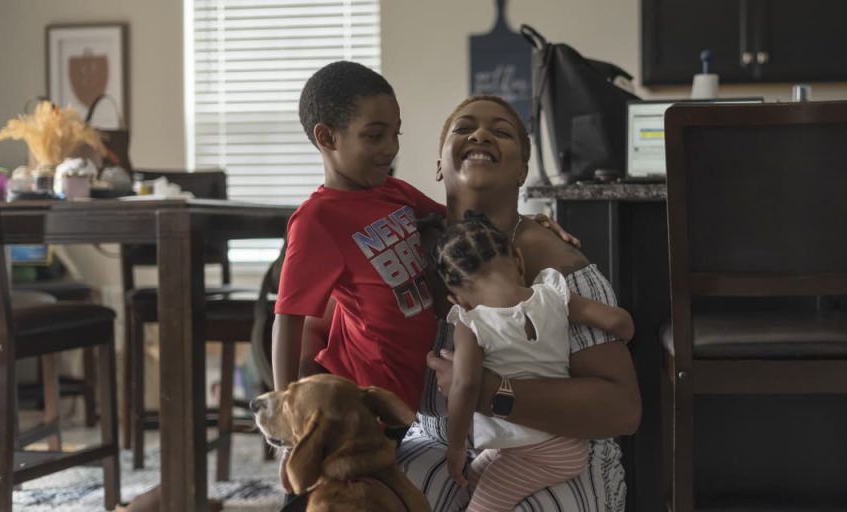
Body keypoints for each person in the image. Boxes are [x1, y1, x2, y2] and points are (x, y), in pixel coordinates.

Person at [396, 95, 641, 511]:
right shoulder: (404, 250)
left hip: (556, 447)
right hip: (440, 440)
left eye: (501, 131)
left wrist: (487, 392)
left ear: (524, 171)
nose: (480, 135)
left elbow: (621, 411)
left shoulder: (560, 269)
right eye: (464, 128)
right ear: (438, 164)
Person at [272, 60, 445, 500]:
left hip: (410, 397)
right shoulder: (317, 220)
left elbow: (459, 222)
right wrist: (288, 418)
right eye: (374, 135)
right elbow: (287, 319)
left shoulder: (395, 193)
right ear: (327, 138)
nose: (390, 148)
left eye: (396, 134)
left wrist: (530, 225)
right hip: (358, 406)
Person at [429, 210, 634, 512]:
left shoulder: (471, 324)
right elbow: (617, 320)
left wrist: (456, 446)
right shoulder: (552, 294)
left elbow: (467, 384)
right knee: (471, 478)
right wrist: (626, 335)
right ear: (519, 260)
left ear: (456, 298)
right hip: (563, 439)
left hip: (533, 451)